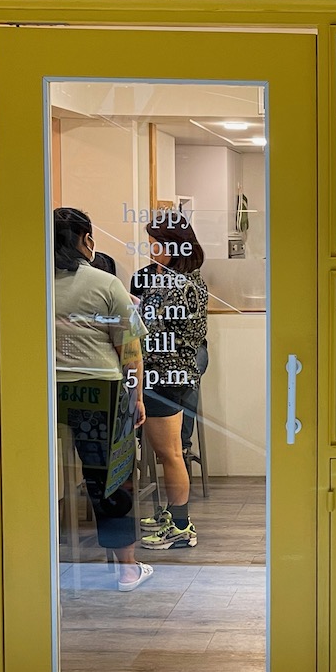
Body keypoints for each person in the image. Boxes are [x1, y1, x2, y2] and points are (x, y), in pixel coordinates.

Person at [53, 207, 152, 592]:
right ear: (84, 240)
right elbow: (129, 350)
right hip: (100, 392)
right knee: (111, 480)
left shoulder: (29, 281)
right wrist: (137, 398)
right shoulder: (106, 284)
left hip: (46, 394)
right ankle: (127, 568)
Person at [130, 217, 208, 551]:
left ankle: (180, 526)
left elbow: (153, 336)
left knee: (170, 454)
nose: (152, 250)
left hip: (165, 376)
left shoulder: (174, 285)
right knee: (172, 452)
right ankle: (174, 516)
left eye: (157, 244)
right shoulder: (188, 279)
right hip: (179, 373)